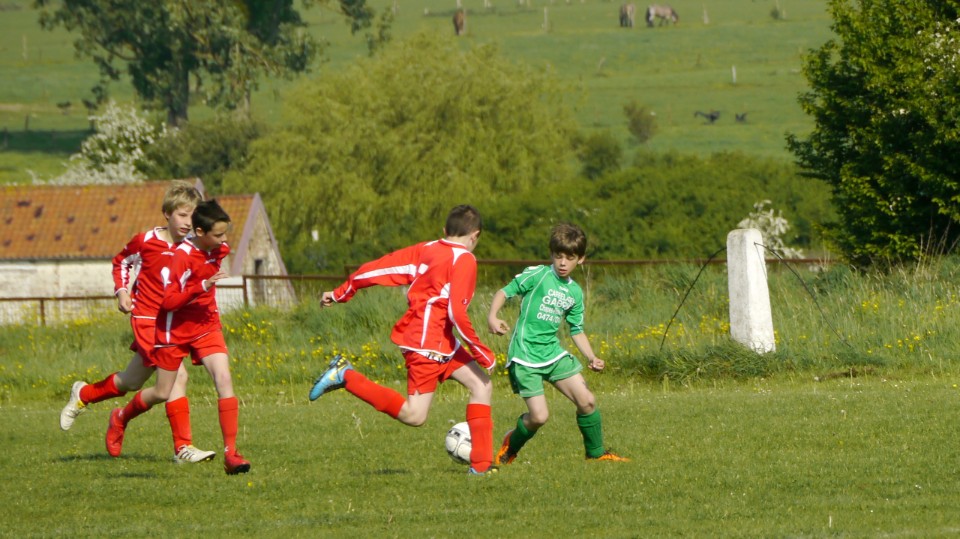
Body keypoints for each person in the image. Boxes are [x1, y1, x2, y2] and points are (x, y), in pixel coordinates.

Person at [309, 204, 498, 475]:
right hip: (427, 344)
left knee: (482, 385)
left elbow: (380, 268)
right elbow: (457, 313)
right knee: (414, 415)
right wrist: (482, 352)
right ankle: (345, 376)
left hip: (437, 339)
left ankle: (481, 466)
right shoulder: (465, 259)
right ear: (475, 235)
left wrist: (341, 292)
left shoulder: (427, 249)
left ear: (444, 230)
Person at [59, 180, 215, 464]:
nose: (187, 222)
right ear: (167, 213)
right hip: (147, 320)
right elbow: (121, 262)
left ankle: (90, 398)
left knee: (129, 381)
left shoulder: (194, 247)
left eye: (193, 217)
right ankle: (183, 447)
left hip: (173, 323)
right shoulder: (145, 241)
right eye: (182, 215)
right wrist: (122, 291)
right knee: (177, 376)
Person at [104, 199, 250, 475]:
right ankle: (121, 417)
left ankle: (231, 454)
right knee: (162, 392)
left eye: (225, 233)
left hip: (206, 325)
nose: (224, 241)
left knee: (224, 378)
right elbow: (169, 302)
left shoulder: (218, 249)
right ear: (199, 232)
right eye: (218, 234)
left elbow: (213, 258)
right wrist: (202, 285)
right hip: (173, 330)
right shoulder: (180, 257)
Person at [487, 223, 629, 464]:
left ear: (580, 259)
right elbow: (504, 291)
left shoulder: (575, 292)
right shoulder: (538, 275)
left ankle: (596, 454)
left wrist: (591, 357)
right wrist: (492, 316)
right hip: (525, 355)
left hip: (552, 354)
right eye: (558, 256)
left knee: (587, 401)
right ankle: (511, 444)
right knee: (539, 417)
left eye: (569, 258)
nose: (563, 263)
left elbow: (576, 330)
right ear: (551, 254)